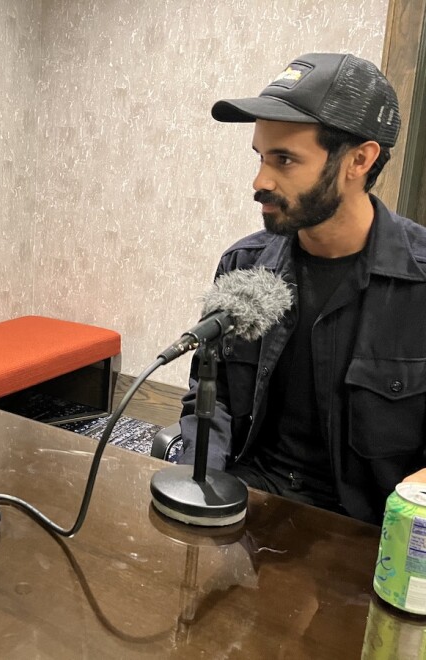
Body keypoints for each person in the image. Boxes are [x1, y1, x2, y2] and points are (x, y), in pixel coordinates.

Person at [178, 52, 426, 524]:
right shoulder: (244, 265)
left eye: (285, 160)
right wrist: (201, 489)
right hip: (248, 500)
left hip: (367, 531)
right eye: (260, 157)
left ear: (359, 160)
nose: (260, 181)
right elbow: (213, 400)